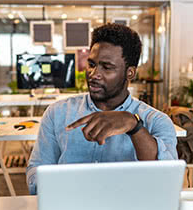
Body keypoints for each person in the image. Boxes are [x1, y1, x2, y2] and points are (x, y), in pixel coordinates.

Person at [27, 23, 178, 195]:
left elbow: (167, 180)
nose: (93, 74)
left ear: (130, 73)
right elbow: (36, 172)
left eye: (106, 67)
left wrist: (133, 125)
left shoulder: (156, 121)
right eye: (92, 64)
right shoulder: (57, 113)